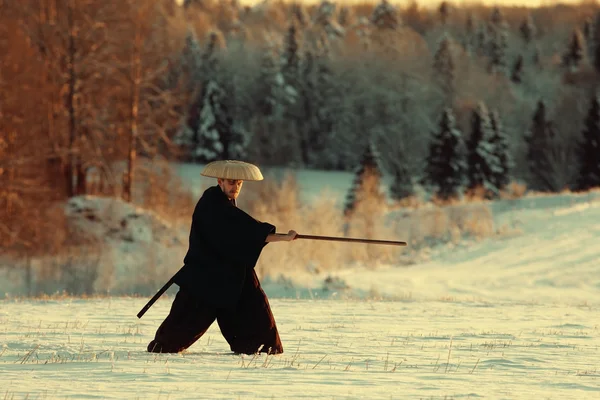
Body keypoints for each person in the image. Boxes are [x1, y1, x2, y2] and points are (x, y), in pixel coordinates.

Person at [147, 160, 297, 355]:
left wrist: (281, 237)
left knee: (253, 305)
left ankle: (261, 347)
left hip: (230, 272)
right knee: (182, 325)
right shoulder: (213, 204)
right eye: (232, 182)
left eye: (239, 183)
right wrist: (283, 238)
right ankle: (163, 346)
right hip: (205, 275)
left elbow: (242, 233)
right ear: (220, 181)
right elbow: (248, 232)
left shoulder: (223, 203)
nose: (236, 187)